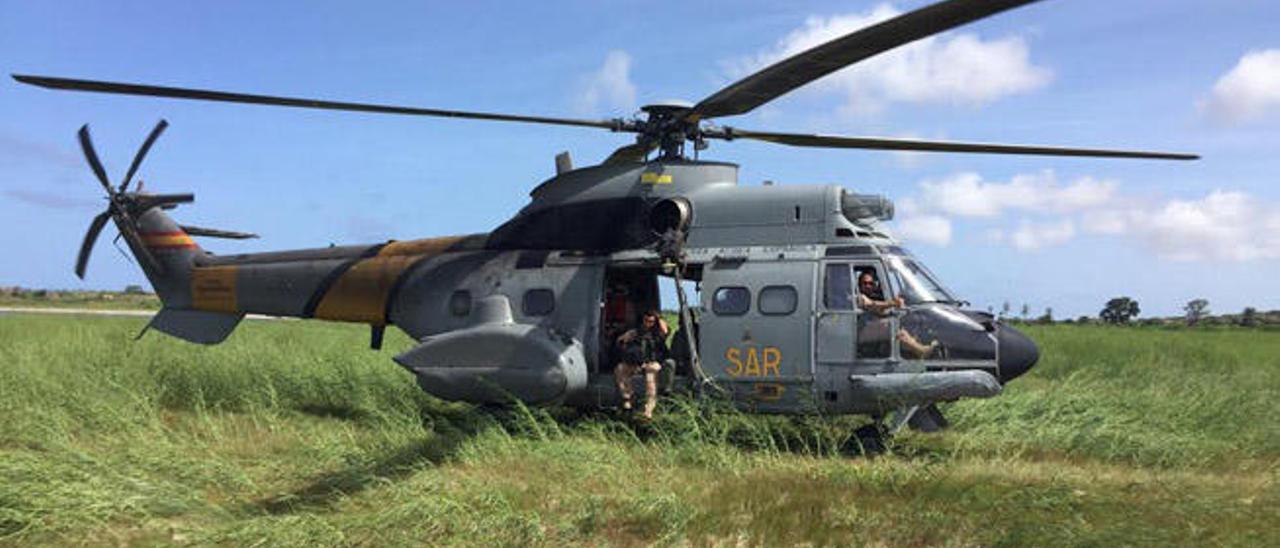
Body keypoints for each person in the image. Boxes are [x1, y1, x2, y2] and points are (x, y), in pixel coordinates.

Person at [856, 270, 938, 359]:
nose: (868, 286)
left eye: (871, 283)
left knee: (901, 326)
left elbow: (880, 310)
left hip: (870, 328)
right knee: (890, 325)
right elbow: (871, 304)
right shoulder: (858, 296)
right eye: (865, 283)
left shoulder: (875, 297)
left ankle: (916, 349)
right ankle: (920, 351)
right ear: (859, 285)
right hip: (859, 331)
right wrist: (893, 303)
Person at [614, 309, 669, 419]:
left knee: (651, 378)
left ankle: (648, 409)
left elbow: (665, 331)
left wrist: (658, 319)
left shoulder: (658, 334)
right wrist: (624, 340)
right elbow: (620, 342)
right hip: (637, 364)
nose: (648, 323)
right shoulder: (635, 333)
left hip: (652, 363)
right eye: (646, 320)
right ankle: (627, 399)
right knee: (620, 369)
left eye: (651, 321)